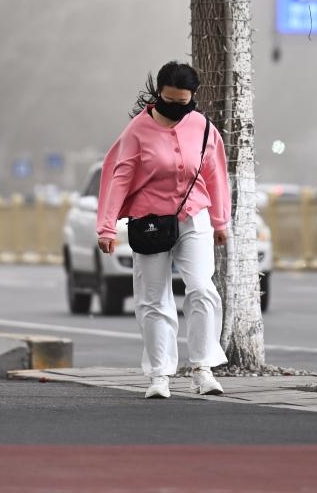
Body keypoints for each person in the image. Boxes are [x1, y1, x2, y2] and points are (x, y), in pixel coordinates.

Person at [96, 61, 230, 399]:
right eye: (168, 100)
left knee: (201, 288)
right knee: (153, 298)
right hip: (150, 222)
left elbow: (216, 174)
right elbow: (120, 176)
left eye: (182, 103)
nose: (174, 109)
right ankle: (159, 375)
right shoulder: (138, 130)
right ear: (158, 94)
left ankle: (202, 368)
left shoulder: (201, 126)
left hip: (194, 216)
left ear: (194, 97)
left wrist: (221, 221)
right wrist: (107, 227)